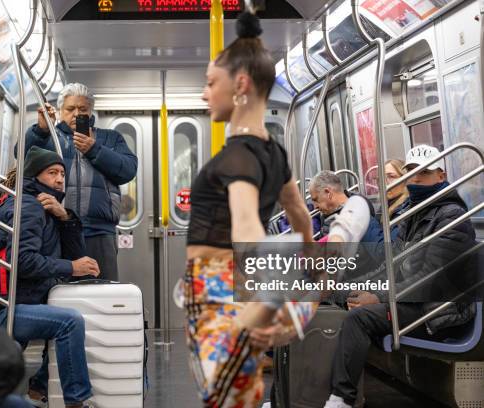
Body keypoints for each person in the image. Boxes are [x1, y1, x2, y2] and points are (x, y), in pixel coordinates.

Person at [184, 11, 315, 407]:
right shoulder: (274, 153)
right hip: (235, 283)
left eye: (211, 84)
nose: (205, 94)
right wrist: (308, 258)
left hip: (216, 284)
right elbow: (299, 215)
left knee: (223, 391)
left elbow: (246, 229)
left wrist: (266, 298)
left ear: (240, 85)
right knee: (242, 388)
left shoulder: (237, 156)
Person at [324, 144, 477, 408]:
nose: (415, 179)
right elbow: (390, 265)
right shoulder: (415, 213)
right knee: (338, 295)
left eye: (423, 173)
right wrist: (352, 286)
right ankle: (308, 386)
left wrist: (378, 297)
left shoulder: (453, 218)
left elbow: (430, 279)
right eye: (411, 173)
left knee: (360, 317)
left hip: (435, 307)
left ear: (441, 176)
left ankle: (342, 399)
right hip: (409, 298)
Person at [0, 146, 100, 408]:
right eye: (52, 173)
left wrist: (65, 216)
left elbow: (75, 253)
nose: (59, 179)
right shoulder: (29, 207)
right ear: (35, 176)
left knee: (70, 310)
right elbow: (22, 262)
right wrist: (71, 268)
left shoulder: (44, 205)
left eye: (62, 173)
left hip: (12, 299)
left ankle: (39, 387)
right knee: (70, 321)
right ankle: (76, 402)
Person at [23, 83, 137, 281]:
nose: (76, 114)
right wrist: (40, 131)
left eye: (82, 109)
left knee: (102, 291)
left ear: (91, 111)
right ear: (60, 111)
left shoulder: (110, 138)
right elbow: (23, 158)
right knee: (59, 292)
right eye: (70, 109)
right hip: (56, 228)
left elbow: (128, 170)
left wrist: (95, 150)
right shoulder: (49, 138)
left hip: (99, 232)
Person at [381, 159, 410, 239]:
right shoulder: (385, 205)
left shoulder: (407, 207)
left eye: (391, 176)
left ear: (405, 179)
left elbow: (387, 247)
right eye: (381, 178)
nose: (385, 182)